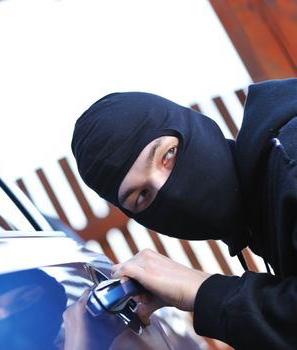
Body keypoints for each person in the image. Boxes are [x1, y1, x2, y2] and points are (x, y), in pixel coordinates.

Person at [71, 78, 297, 349]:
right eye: (142, 195)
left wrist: (203, 291)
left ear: (193, 124)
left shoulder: (290, 161)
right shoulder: (263, 206)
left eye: (168, 155)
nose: (169, 191)